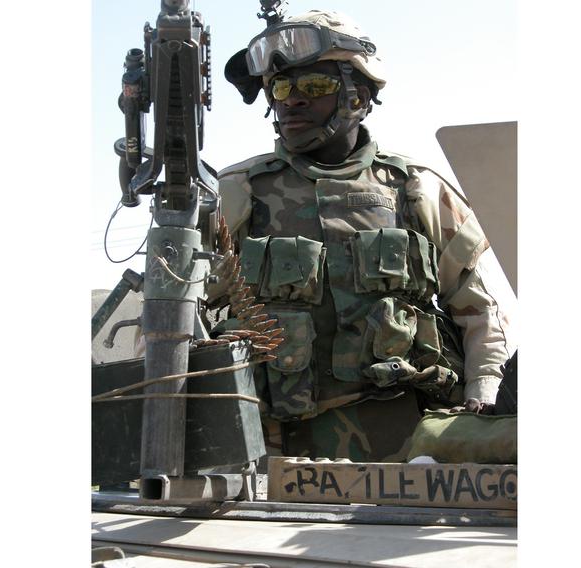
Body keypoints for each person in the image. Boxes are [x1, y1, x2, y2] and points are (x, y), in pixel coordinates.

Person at [210, 9, 516, 462]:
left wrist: (483, 390)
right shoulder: (236, 192)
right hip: (269, 447)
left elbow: (478, 307)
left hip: (408, 443)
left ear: (360, 96)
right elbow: (180, 314)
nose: (291, 101)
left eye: (313, 87)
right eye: (280, 88)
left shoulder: (417, 187)